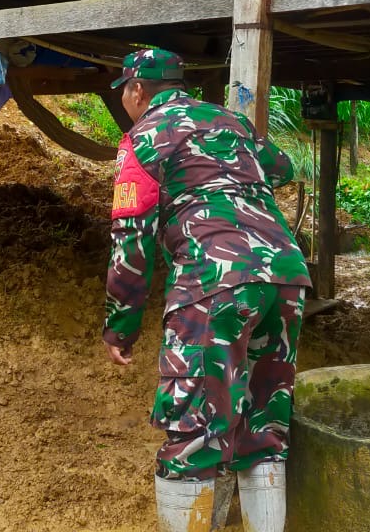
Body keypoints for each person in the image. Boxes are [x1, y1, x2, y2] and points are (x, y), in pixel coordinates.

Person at [102, 49, 311, 532]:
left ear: (137, 90)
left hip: (214, 283)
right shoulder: (229, 121)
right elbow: (281, 167)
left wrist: (121, 328)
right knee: (263, 427)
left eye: (125, 93)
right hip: (285, 275)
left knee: (192, 431)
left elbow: (131, 244)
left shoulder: (142, 139)